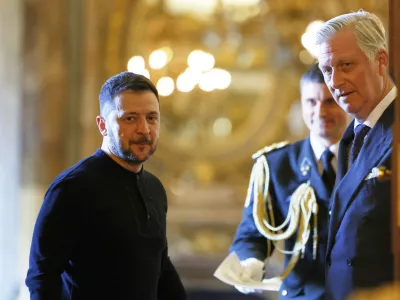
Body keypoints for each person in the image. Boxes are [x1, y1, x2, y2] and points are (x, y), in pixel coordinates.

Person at [25, 72, 187, 300]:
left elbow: (161, 266)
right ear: (103, 125)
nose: (144, 129)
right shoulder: (72, 188)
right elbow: (42, 277)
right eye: (129, 118)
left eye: (152, 118)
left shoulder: (155, 188)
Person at [229, 64, 348, 299]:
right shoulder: (277, 164)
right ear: (301, 104)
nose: (320, 112)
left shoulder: (369, 158)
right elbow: (252, 233)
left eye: (330, 101)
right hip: (302, 294)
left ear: (345, 103)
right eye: (311, 102)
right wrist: (252, 262)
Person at [315, 10, 396, 300]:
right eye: (327, 70)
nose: (335, 82)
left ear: (380, 61)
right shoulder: (351, 136)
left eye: (346, 65)